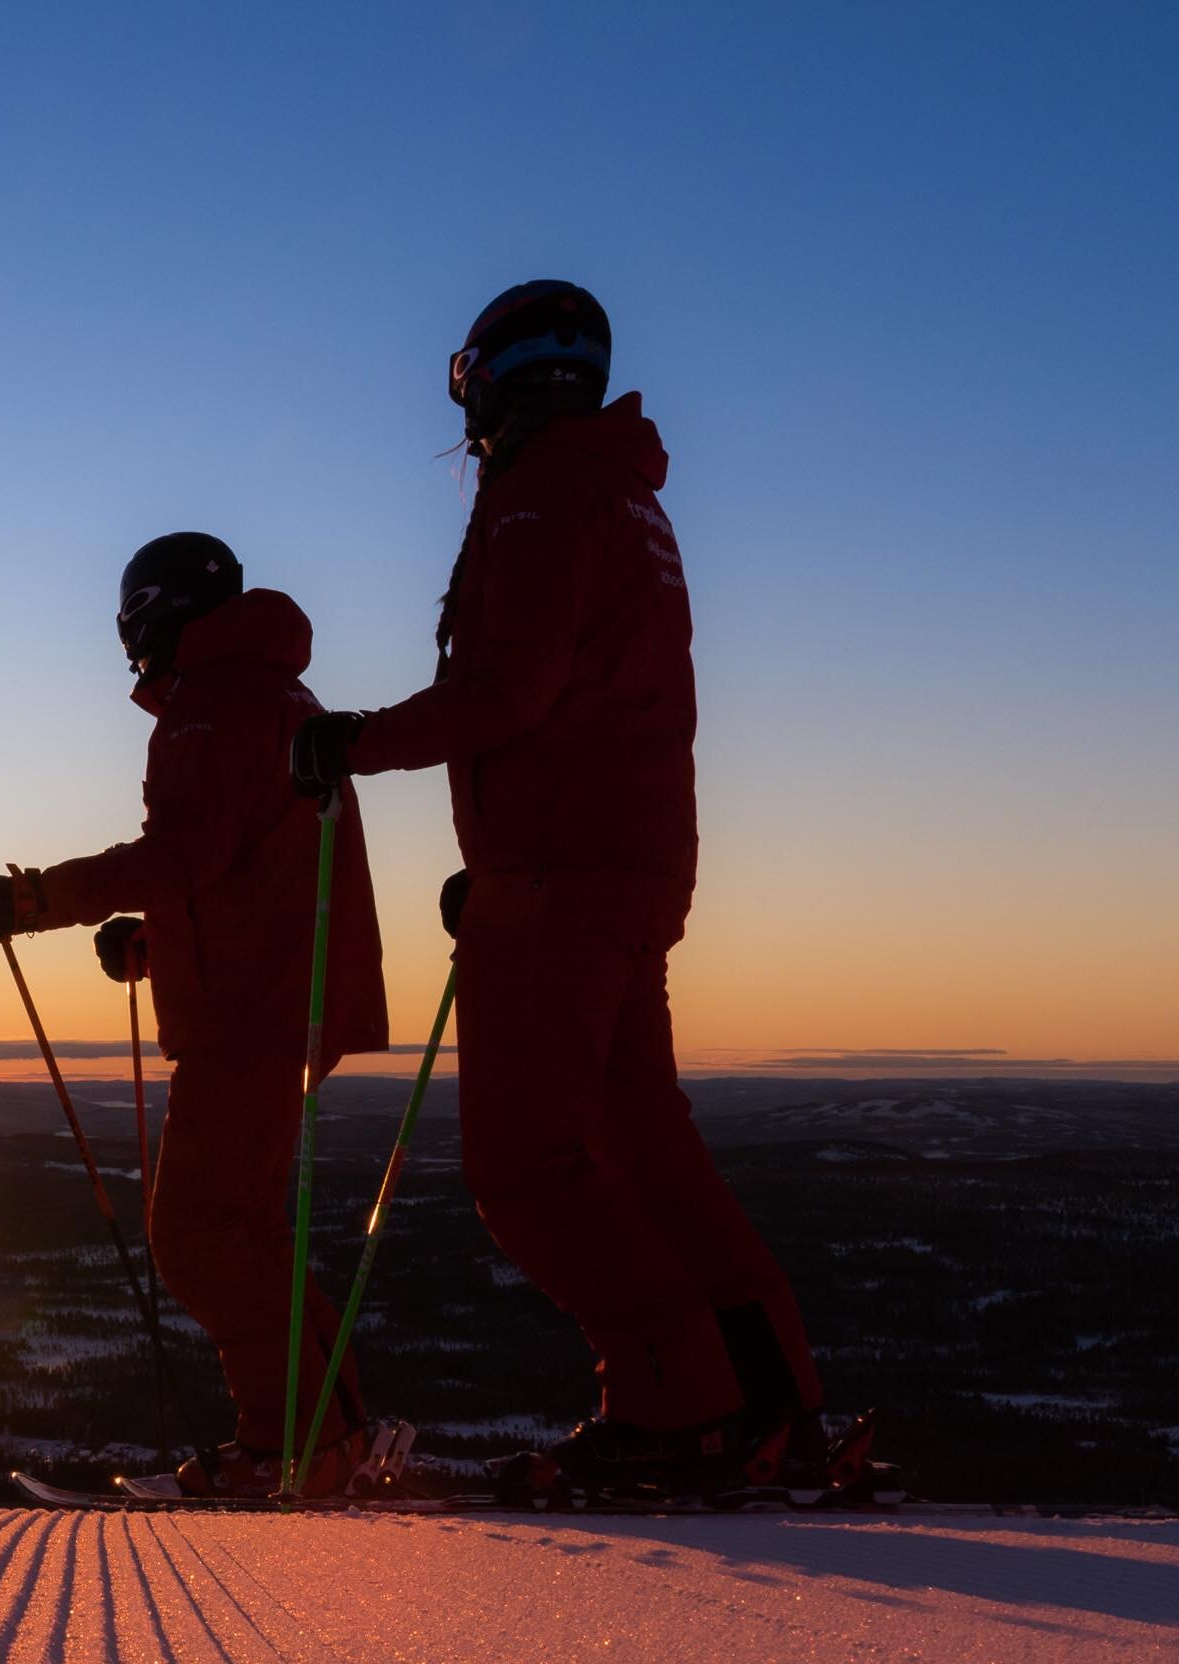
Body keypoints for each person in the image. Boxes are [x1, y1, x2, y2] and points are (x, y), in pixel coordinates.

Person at [291, 281, 825, 1495]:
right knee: (642, 1145)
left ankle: (677, 1409)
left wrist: (351, 741)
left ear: (487, 378)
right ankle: (766, 1399)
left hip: (562, 877)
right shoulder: (622, 492)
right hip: (620, 865)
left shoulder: (540, 500)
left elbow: (506, 693)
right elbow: (576, 698)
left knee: (524, 1168)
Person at [0, 534, 390, 1496]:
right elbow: (247, 870)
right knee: (243, 1238)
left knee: (196, 1237)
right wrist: (156, 944)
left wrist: (33, 899)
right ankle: (330, 1437)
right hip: (276, 1001)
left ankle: (295, 1454)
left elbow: (185, 854)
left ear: (146, 614)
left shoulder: (213, 704)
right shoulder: (274, 694)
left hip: (247, 1016)